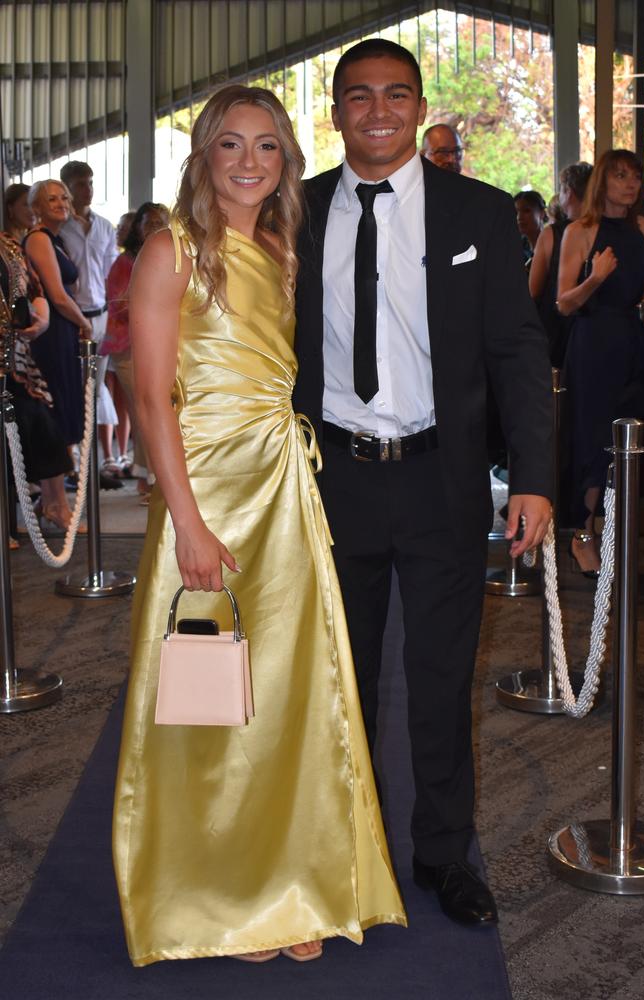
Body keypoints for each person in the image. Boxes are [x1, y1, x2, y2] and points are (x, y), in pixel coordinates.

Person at [112, 83, 406, 968]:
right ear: (204, 154)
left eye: (267, 146)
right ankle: (223, 894)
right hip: (208, 497)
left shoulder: (279, 245)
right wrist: (188, 528)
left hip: (282, 490)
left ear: (286, 160)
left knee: (284, 691)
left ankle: (290, 879)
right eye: (231, 145)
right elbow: (152, 397)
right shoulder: (173, 249)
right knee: (206, 702)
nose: (248, 162)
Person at [293, 38, 552, 927]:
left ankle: (443, 855)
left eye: (396, 95)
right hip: (334, 482)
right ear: (335, 113)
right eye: (358, 97)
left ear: (418, 105)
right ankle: (348, 855)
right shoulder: (295, 212)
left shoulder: (479, 213)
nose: (378, 112)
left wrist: (534, 479)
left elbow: (518, 353)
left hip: (442, 479)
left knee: (441, 681)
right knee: (341, 682)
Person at [557, 149, 644, 576]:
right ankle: (583, 534)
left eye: (635, 177)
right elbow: (563, 304)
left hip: (635, 341)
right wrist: (594, 279)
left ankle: (622, 534)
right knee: (594, 439)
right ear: (602, 183)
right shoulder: (580, 230)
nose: (629, 185)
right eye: (620, 176)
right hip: (594, 344)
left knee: (631, 440)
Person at [0, 231, 77, 535]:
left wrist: (41, 317)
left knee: (42, 427)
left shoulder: (8, 245)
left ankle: (54, 505)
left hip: (17, 363)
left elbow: (35, 290)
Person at [59, 160, 122, 487]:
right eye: (82, 183)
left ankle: (101, 460)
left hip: (102, 315)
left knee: (96, 389)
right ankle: (75, 464)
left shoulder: (105, 227)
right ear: (67, 187)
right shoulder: (59, 228)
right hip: (71, 317)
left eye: (91, 182)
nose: (89, 189)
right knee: (74, 389)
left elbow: (112, 275)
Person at [102, 202, 170, 502]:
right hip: (127, 346)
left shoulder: (172, 256)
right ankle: (150, 480)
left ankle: (150, 478)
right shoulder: (125, 262)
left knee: (154, 411)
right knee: (145, 411)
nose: (154, 226)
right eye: (148, 221)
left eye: (160, 221)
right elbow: (121, 305)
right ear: (138, 227)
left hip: (159, 345)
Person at [23, 180, 90, 452]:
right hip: (54, 331)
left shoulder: (56, 238)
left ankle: (65, 474)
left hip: (64, 329)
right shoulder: (39, 238)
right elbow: (58, 296)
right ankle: (55, 488)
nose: (60, 203)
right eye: (52, 199)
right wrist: (85, 323)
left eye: (64, 197)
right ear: (36, 206)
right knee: (59, 399)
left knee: (68, 398)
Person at [529, 162, 593, 368]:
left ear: (569, 192)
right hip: (593, 327)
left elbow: (533, 290)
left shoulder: (552, 234)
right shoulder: (605, 230)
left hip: (557, 329)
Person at [513, 189, 546, 265]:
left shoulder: (551, 243)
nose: (519, 217)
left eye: (526, 211)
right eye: (516, 212)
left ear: (542, 213)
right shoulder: (515, 246)